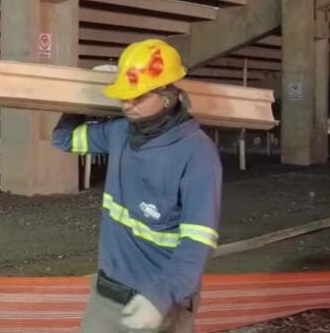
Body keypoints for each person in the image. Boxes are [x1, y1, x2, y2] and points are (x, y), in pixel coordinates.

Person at [52, 39, 222, 332]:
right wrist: (86, 94)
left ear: (168, 95)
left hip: (161, 307)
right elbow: (64, 139)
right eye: (123, 96)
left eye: (137, 96)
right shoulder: (119, 133)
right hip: (107, 299)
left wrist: (160, 298)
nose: (126, 104)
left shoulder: (197, 154)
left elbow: (198, 242)